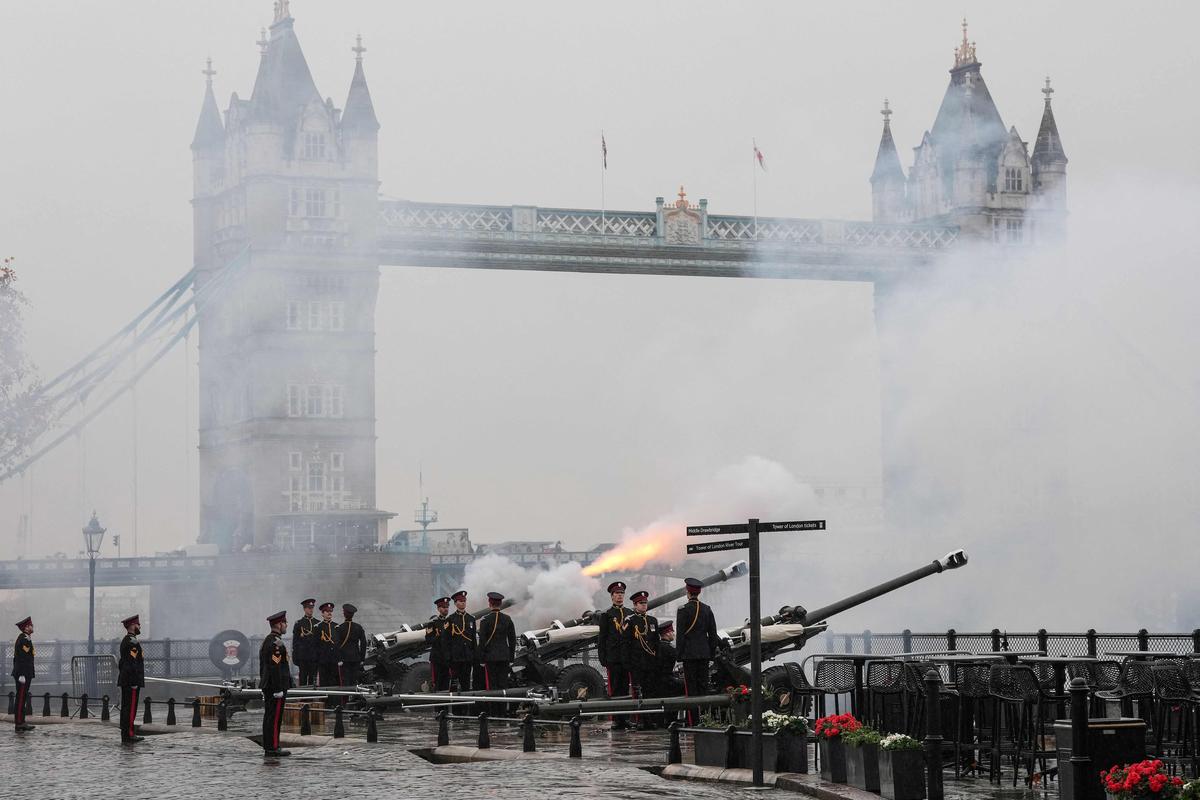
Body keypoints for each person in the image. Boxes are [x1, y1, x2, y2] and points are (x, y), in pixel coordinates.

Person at [675, 577, 723, 725]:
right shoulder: (707, 609)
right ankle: (705, 719)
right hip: (704, 655)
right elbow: (713, 635)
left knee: (691, 690)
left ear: (688, 592)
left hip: (689, 655)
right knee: (703, 688)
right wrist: (710, 654)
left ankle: (693, 721)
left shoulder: (683, 610)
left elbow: (680, 636)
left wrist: (679, 656)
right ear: (699, 592)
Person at [597, 580, 631, 729]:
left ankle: (626, 718)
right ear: (612, 596)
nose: (620, 596)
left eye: (622, 593)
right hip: (614, 658)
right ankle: (617, 719)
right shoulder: (607, 615)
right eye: (617, 593)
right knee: (615, 689)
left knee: (625, 688)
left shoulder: (629, 613)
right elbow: (602, 638)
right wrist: (603, 658)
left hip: (626, 658)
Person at [259, 610, 293, 757]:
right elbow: (275, 667)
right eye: (285, 623)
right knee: (274, 718)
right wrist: (278, 688)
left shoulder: (268, 640)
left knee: (270, 717)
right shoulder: (276, 644)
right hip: (275, 687)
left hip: (269, 685)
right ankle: (273, 747)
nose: (286, 625)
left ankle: (269, 746)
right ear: (279, 624)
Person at [623, 591, 659, 705]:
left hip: (650, 661)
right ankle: (639, 715)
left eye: (645, 603)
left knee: (651, 689)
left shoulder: (652, 620)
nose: (644, 605)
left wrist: (657, 658)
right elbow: (625, 643)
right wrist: (627, 662)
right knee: (637, 692)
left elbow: (656, 642)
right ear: (635, 605)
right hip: (636, 662)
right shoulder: (630, 620)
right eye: (641, 603)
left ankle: (651, 714)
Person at [476, 592, 516, 690]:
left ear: (489, 603)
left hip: (490, 658)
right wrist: (511, 658)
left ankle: (494, 700)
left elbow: (482, 641)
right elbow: (512, 640)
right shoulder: (507, 619)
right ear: (500, 604)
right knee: (503, 684)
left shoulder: (485, 620)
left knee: (492, 685)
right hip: (504, 657)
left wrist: (481, 659)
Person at [117, 614, 145, 743]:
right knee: (130, 709)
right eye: (138, 624)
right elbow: (131, 663)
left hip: (127, 679)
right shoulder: (132, 642)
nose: (140, 626)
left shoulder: (127, 640)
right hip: (131, 681)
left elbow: (122, 663)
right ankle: (129, 735)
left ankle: (126, 734)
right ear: (133, 625)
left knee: (126, 708)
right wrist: (134, 680)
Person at [445, 590, 476, 691]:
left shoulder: (471, 619)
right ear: (455, 603)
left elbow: (473, 639)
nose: (463, 603)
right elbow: (446, 640)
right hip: (455, 657)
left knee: (466, 683)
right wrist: (448, 657)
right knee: (454, 684)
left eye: (464, 601)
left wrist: (474, 655)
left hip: (467, 657)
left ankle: (466, 701)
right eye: (460, 601)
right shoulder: (451, 619)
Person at [336, 603, 367, 690]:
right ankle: (354, 697)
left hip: (344, 660)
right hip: (356, 659)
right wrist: (362, 658)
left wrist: (339, 659)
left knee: (345, 682)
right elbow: (364, 643)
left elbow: (336, 645)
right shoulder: (358, 627)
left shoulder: (340, 628)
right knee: (354, 682)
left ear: (344, 614)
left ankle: (346, 698)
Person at [11, 616, 34, 732]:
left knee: (23, 697)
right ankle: (19, 723)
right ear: (26, 627)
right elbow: (22, 658)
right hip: (23, 674)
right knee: (20, 698)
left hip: (25, 673)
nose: (32, 627)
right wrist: (22, 674)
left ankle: (22, 721)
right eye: (30, 625)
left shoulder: (26, 638)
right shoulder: (23, 640)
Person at [425, 596, 451, 691]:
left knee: (447, 684)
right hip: (437, 658)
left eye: (447, 607)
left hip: (448, 658)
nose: (446, 609)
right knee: (437, 683)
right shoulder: (433, 623)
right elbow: (428, 639)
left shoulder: (450, 621)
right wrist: (438, 636)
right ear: (438, 609)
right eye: (443, 607)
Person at [291, 598, 318, 686]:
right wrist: (295, 657)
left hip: (314, 657)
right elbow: (295, 642)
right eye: (309, 608)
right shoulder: (299, 623)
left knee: (312, 680)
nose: (311, 610)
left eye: (312, 608)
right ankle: (302, 693)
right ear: (304, 609)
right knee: (302, 678)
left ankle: (312, 694)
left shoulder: (317, 623)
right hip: (303, 657)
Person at [314, 602, 339, 688]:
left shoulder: (336, 626)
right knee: (324, 684)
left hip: (334, 660)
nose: (329, 613)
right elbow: (315, 645)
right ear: (322, 613)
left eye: (330, 611)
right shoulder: (318, 627)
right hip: (323, 661)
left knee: (335, 683)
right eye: (327, 611)